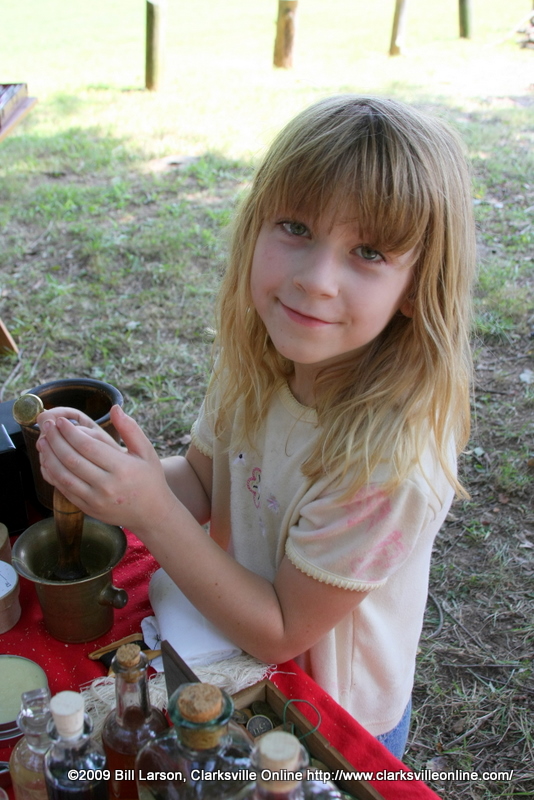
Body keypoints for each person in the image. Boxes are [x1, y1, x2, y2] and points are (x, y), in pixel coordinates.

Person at [35, 95, 476, 759]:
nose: (317, 281)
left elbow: (281, 629)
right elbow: (205, 482)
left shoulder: (390, 460)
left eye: (368, 252)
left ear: (418, 286)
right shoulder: (263, 362)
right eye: (295, 227)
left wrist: (150, 510)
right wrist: (115, 477)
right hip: (228, 653)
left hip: (325, 718)